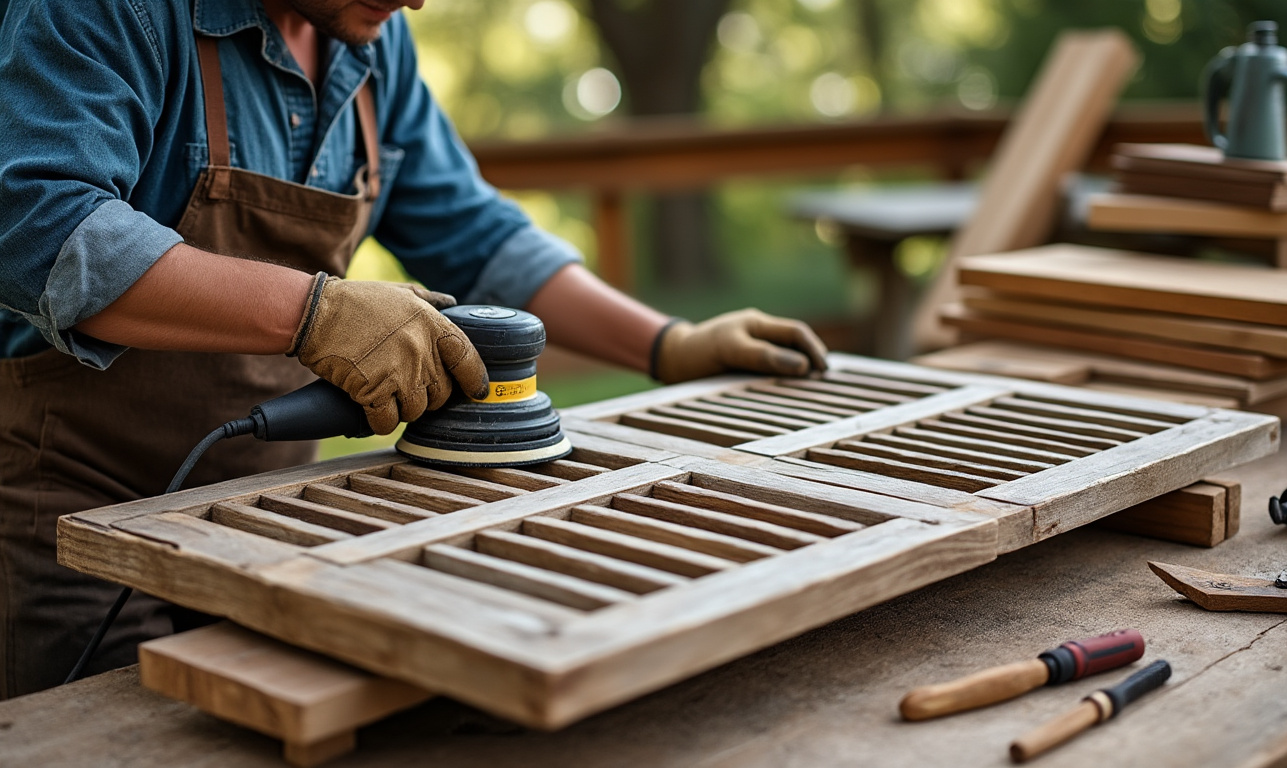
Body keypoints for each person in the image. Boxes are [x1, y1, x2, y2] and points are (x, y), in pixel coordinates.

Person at [0, 0, 829, 698]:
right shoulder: (110, 10)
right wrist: (314, 313)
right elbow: (37, 226)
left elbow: (473, 234)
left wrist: (668, 344)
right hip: (65, 513)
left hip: (260, 520)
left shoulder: (371, 39)